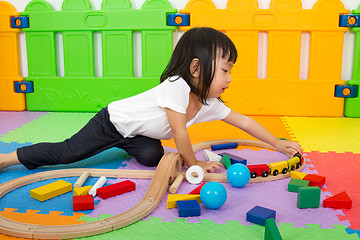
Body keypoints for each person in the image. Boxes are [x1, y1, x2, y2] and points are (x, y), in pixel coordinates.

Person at [0, 27, 302, 173]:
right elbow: (180, 132)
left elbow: (245, 122)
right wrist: (195, 164)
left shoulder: (210, 104)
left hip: (139, 134)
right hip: (113, 123)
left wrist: (278, 144)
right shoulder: (176, 87)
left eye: (230, 71)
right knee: (66, 154)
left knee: (152, 157)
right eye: (225, 70)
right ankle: (7, 159)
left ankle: (131, 147)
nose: (229, 79)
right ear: (196, 68)